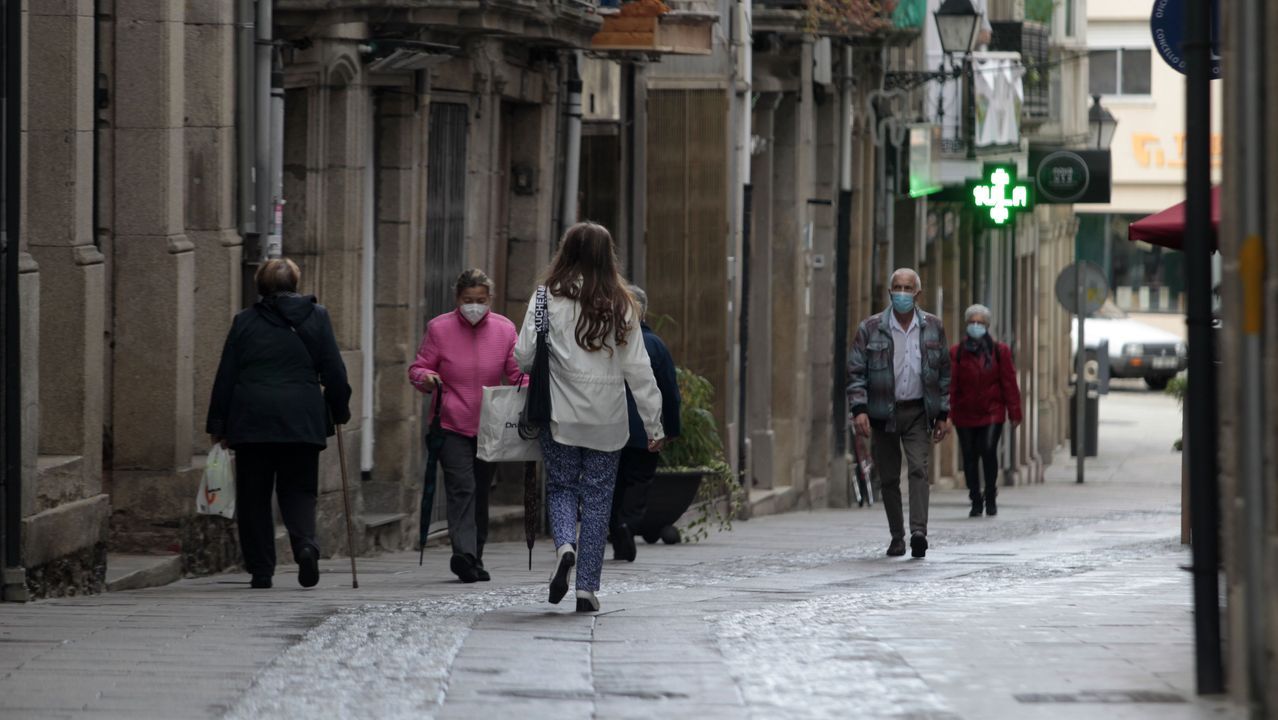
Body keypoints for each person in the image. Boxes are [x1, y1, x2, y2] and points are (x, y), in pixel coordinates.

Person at [515, 222, 664, 613]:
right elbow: (639, 369)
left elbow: (523, 355)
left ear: (566, 252)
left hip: (560, 414)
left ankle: (566, 544)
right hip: (607, 420)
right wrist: (654, 423)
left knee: (562, 486)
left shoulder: (546, 297)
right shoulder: (623, 302)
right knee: (598, 499)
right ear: (606, 255)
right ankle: (586, 588)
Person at [206, 258, 351, 590]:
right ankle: (304, 546)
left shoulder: (244, 322)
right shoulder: (317, 318)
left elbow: (226, 374)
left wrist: (219, 423)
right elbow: (334, 371)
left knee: (254, 495)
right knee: (299, 490)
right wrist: (339, 409)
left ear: (260, 285)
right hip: (301, 419)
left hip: (252, 419)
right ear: (295, 283)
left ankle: (261, 570)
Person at [408, 269, 522, 583]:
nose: (474, 306)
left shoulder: (504, 330)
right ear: (458, 299)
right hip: (451, 424)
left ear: (490, 300)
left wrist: (534, 389)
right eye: (468, 300)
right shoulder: (439, 329)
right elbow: (419, 367)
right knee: (463, 488)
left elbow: (515, 373)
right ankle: (464, 554)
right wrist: (425, 379)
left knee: (482, 491)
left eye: (480, 300)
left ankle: (476, 555)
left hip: (490, 426)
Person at [848, 268, 952, 559]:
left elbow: (944, 372)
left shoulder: (933, 327)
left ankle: (919, 532)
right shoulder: (870, 328)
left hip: (918, 410)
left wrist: (943, 413)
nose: (902, 293)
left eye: (908, 288)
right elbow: (856, 372)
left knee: (919, 469)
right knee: (889, 477)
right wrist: (859, 409)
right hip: (883, 411)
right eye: (897, 287)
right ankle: (897, 536)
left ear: (918, 293)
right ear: (890, 292)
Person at [609, 285, 681, 562]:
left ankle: (616, 530)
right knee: (638, 482)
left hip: (608, 427)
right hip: (642, 431)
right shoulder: (655, 345)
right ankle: (627, 524)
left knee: (612, 483)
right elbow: (669, 391)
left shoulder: (605, 341)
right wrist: (672, 428)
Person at [949, 304, 1022, 518]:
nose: (976, 326)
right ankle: (975, 498)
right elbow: (951, 385)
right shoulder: (957, 352)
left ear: (988, 325)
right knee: (969, 456)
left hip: (992, 411)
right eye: (972, 322)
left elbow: (1009, 383)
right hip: (965, 413)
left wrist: (1014, 412)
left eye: (980, 322)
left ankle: (990, 494)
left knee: (989, 450)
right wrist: (946, 414)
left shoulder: (1000, 351)